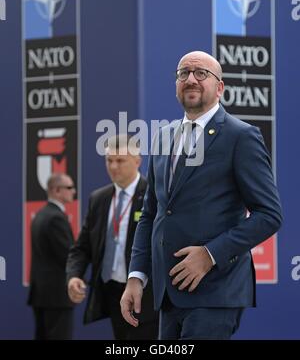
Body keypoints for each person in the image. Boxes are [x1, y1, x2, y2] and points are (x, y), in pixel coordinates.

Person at [120, 51, 283, 340]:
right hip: (168, 295)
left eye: (201, 73)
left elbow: (269, 215)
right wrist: (136, 276)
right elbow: (151, 214)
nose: (191, 79)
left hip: (215, 292)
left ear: (220, 87)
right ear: (176, 84)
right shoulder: (162, 136)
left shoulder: (241, 136)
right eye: (183, 73)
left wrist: (210, 255)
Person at [66, 135, 159, 340]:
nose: (113, 166)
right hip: (112, 293)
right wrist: (74, 275)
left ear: (137, 161)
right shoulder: (99, 198)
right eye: (109, 160)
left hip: (145, 295)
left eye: (120, 160)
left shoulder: (154, 196)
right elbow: (82, 247)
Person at [27, 173, 76, 340]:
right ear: (56, 190)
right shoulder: (56, 218)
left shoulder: (39, 215)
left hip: (40, 294)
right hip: (57, 297)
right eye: (69, 188)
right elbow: (68, 256)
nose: (73, 191)